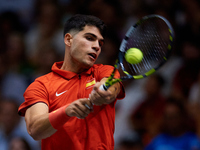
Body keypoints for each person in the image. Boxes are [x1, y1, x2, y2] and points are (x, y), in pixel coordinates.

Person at [18, 14, 125, 150]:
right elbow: (35, 129)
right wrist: (66, 111)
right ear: (69, 40)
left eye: (100, 43)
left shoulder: (104, 72)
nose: (97, 46)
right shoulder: (41, 85)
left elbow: (111, 88)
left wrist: (103, 91)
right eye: (90, 38)